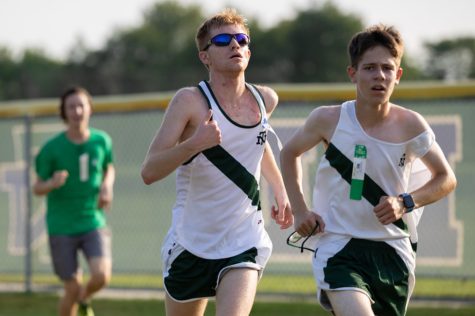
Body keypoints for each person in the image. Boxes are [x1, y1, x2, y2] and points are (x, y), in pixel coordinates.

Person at [280, 24, 457, 316]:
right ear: (353, 73)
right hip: (339, 246)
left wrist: (405, 202)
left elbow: (446, 178)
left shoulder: (412, 124)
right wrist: (300, 210)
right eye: (370, 68)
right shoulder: (328, 119)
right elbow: (289, 153)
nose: (379, 76)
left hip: (393, 251)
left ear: (398, 76)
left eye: (388, 68)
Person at [141, 8, 293, 316]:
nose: (234, 45)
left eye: (241, 39)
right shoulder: (189, 101)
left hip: (244, 238)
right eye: (223, 40)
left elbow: (255, 143)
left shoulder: (266, 99)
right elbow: (149, 171)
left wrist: (279, 187)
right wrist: (196, 143)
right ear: (205, 57)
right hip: (191, 241)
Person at [33, 86, 115, 316]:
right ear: (64, 112)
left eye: (81, 105)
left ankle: (85, 297)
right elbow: (37, 187)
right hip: (62, 226)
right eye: (71, 106)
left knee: (101, 276)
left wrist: (107, 186)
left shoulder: (102, 141)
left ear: (89, 108)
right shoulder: (51, 149)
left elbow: (109, 167)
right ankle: (79, 296)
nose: (77, 111)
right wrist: (52, 183)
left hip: (92, 220)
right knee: (72, 287)